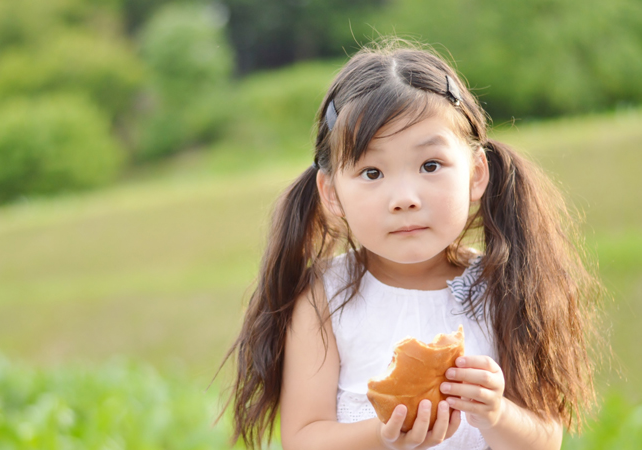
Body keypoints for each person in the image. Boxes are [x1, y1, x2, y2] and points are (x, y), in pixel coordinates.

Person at [218, 39, 602, 450]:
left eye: (430, 165)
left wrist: (496, 413)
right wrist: (385, 434)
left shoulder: (499, 284)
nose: (404, 197)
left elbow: (546, 439)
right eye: (371, 172)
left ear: (475, 174)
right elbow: (304, 439)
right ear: (331, 194)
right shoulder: (323, 296)